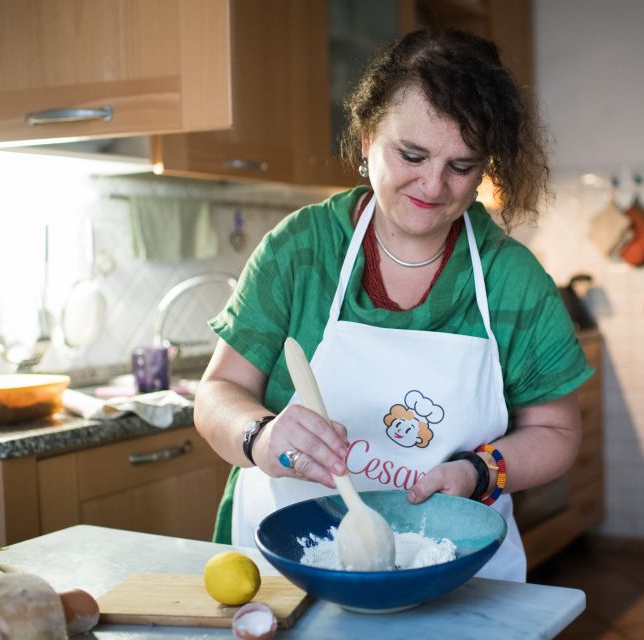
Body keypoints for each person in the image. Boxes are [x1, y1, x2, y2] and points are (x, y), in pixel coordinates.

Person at [194, 27, 593, 582]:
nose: (434, 185)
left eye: (463, 165)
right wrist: (257, 436)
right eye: (412, 154)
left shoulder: (512, 278)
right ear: (365, 138)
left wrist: (479, 472)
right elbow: (218, 393)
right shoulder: (302, 250)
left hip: (454, 565)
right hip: (291, 558)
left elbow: (556, 433)